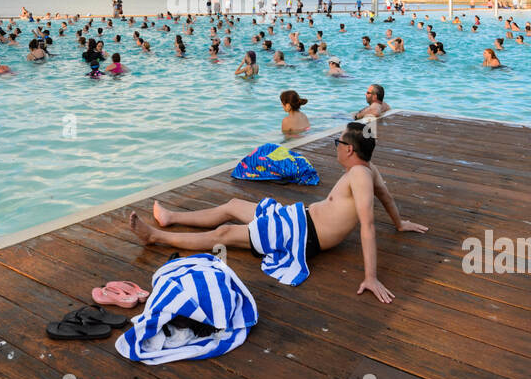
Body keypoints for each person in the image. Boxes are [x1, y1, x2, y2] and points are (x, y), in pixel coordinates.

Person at [129, 122, 427, 302]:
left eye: (339, 142)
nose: (335, 146)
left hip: (301, 235)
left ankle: (156, 237)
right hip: (297, 218)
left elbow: (368, 226)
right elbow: (387, 197)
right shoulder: (367, 169)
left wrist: (371, 277)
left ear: (349, 150)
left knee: (225, 234)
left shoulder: (360, 176)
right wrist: (400, 224)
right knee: (233, 206)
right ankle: (172, 218)